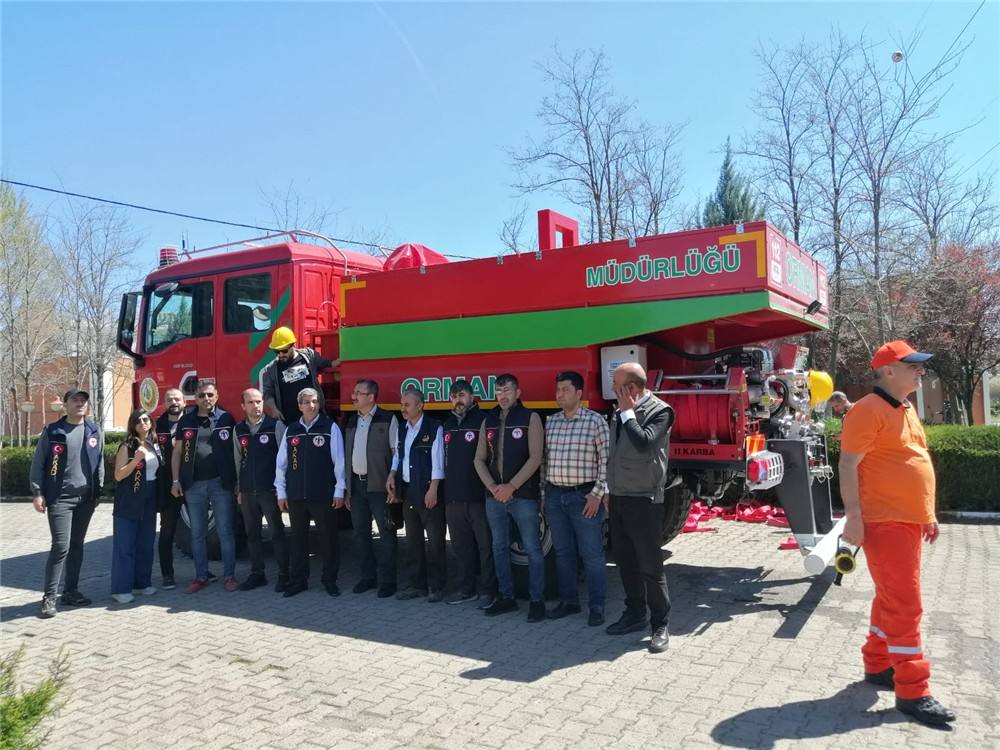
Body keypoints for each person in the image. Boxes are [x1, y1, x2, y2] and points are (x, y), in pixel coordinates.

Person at [839, 340, 956, 727]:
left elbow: (913, 461)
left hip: (907, 522)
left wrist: (928, 515)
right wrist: (853, 517)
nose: (921, 371)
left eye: (921, 365)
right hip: (885, 522)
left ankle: (878, 664)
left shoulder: (904, 408)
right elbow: (848, 465)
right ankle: (913, 690)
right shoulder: (866, 410)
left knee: (890, 596)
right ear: (888, 371)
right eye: (913, 366)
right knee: (905, 605)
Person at [606, 362, 674, 654]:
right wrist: (608, 488)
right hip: (619, 496)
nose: (612, 388)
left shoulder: (660, 411)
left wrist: (628, 413)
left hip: (644, 498)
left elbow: (644, 443)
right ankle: (634, 614)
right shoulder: (619, 411)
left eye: (617, 385)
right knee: (626, 562)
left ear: (631, 388)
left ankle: (660, 625)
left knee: (650, 566)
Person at [473, 373, 546, 622]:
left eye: (507, 390)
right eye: (498, 391)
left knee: (533, 548)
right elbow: (478, 459)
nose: (502, 395)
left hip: (523, 496)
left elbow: (536, 458)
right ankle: (506, 597)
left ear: (518, 393)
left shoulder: (530, 418)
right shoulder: (489, 419)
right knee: (499, 547)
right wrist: (493, 486)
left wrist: (511, 486)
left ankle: (537, 601)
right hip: (494, 497)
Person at [30, 389, 104, 618]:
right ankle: (49, 598)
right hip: (60, 499)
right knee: (60, 547)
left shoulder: (93, 430)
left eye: (83, 401)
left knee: (77, 546)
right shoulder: (53, 431)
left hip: (86, 499)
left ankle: (71, 592)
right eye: (75, 400)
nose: (80, 404)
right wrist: (37, 492)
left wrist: (98, 489)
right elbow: (38, 463)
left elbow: (100, 462)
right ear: (66, 405)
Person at [544, 371, 610, 627]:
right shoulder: (551, 422)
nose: (559, 394)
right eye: (558, 390)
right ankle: (569, 602)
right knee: (563, 553)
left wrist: (597, 494)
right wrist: (544, 493)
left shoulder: (595, 422)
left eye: (565, 389)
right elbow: (544, 461)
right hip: (555, 496)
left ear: (579, 393)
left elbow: (606, 461)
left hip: (584, 497)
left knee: (592, 554)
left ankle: (597, 606)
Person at [274, 388, 346, 597]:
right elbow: (281, 464)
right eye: (306, 402)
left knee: (328, 540)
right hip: (296, 495)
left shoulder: (330, 427)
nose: (311, 405)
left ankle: (329, 580)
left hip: (323, 495)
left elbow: (339, 461)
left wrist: (339, 490)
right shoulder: (292, 430)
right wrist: (281, 492)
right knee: (298, 540)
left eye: (314, 401)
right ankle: (298, 581)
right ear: (299, 406)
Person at [170, 381, 238, 593]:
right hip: (193, 485)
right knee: (197, 534)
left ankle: (229, 576)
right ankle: (201, 576)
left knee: (225, 531)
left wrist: (237, 482)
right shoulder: (186, 421)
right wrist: (175, 481)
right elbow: (177, 452)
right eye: (201, 395)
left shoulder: (226, 419)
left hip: (221, 484)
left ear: (216, 396)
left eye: (209, 395)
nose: (206, 399)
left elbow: (236, 452)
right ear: (195, 398)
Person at [442, 380, 496, 608]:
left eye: (462, 395)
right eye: (454, 396)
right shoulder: (446, 424)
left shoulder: (483, 421)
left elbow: (492, 458)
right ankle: (467, 589)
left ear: (472, 397)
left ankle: (489, 591)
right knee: (461, 547)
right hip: (453, 497)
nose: (458, 400)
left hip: (478, 497)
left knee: (485, 547)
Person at [388, 388, 446, 602]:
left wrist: (433, 489)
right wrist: (392, 474)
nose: (402, 408)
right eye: (402, 404)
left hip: (428, 491)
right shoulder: (402, 429)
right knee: (413, 541)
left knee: (435, 542)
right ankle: (417, 585)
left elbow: (438, 462)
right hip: (408, 491)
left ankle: (437, 587)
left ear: (420, 406)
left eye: (407, 405)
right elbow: (398, 455)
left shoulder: (434, 427)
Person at [344, 379, 400, 598]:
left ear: (371, 397)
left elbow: (397, 452)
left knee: (386, 534)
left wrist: (393, 478)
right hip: (357, 486)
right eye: (354, 392)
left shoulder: (388, 418)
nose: (354, 396)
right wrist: (348, 489)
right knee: (361, 534)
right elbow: (347, 456)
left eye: (358, 393)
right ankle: (368, 577)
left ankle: (388, 581)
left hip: (379, 487)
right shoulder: (351, 421)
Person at [233, 388, 289, 593]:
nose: (255, 405)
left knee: (277, 533)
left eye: (258, 401)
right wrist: (240, 488)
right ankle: (257, 574)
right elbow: (238, 459)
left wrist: (282, 489)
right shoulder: (239, 429)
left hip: (270, 490)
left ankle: (284, 575)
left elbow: (285, 460)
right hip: (248, 490)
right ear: (243, 406)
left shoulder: (275, 426)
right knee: (253, 534)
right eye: (250, 402)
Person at [111, 409, 161, 604]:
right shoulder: (127, 446)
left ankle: (142, 583)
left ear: (151, 422)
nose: (142, 423)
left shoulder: (153, 444)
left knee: (146, 542)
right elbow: (118, 475)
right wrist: (136, 460)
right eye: (137, 420)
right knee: (125, 544)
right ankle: (121, 589)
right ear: (132, 424)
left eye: (145, 419)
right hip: (130, 497)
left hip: (150, 495)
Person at [260, 326, 335, 425]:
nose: (281, 354)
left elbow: (328, 363)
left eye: (284, 350)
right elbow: (267, 394)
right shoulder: (271, 370)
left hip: (314, 418)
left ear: (293, 345)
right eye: (277, 351)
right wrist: (274, 409)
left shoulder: (309, 356)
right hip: (290, 422)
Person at [155, 387, 187, 590]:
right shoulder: (157, 426)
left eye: (177, 399)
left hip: (193, 482)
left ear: (184, 401)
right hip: (168, 486)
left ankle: (203, 571)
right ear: (164, 403)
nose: (173, 402)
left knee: (198, 529)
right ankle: (167, 574)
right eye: (169, 399)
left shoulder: (193, 422)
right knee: (167, 531)